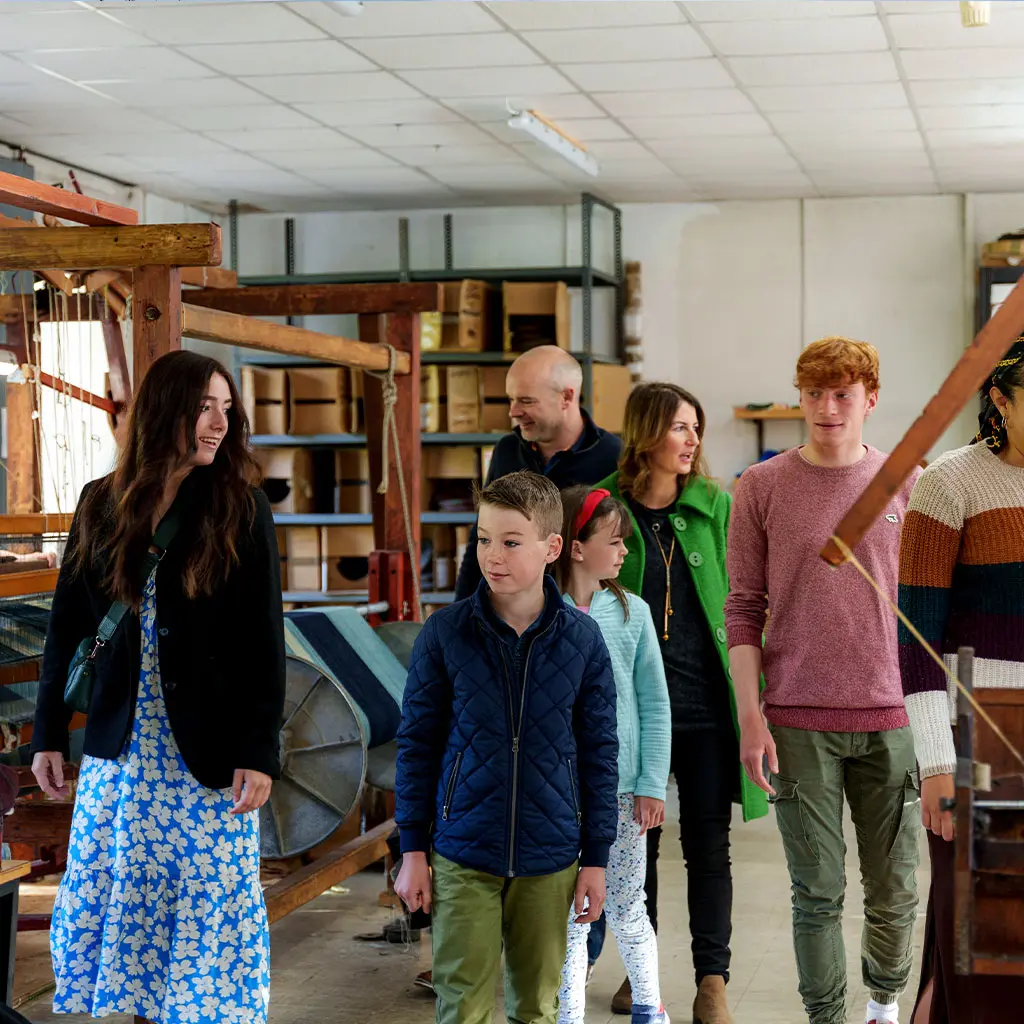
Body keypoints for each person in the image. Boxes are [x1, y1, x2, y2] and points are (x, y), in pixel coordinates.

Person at [31, 350, 285, 1024]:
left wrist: (260, 750)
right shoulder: (101, 502)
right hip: (122, 752)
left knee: (207, 909)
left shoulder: (242, 509)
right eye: (205, 407)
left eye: (228, 410)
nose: (219, 424)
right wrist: (48, 735)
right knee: (133, 902)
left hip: (207, 757)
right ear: (164, 409)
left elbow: (264, 643)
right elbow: (67, 631)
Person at [726, 337, 922, 1024]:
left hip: (893, 719)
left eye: (843, 394)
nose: (827, 407)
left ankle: (883, 1006)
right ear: (799, 398)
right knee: (816, 893)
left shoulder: (907, 481)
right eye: (814, 393)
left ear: (870, 398)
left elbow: (929, 605)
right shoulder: (762, 486)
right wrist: (751, 717)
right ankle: (826, 1018)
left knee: (895, 890)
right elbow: (744, 607)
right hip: (798, 722)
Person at [394, 470, 619, 1024]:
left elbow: (599, 754)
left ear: (552, 547)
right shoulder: (444, 634)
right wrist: (413, 851)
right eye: (484, 538)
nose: (493, 555)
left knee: (537, 1007)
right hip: (462, 852)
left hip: (551, 857)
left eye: (511, 542)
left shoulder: (583, 642)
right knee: (461, 1005)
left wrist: (595, 858)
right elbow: (417, 746)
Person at [594, 382, 768, 1024]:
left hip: (702, 709)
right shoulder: (605, 509)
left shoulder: (717, 506)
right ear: (646, 434)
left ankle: (711, 982)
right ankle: (644, 970)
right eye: (679, 428)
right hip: (630, 714)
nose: (693, 439)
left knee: (707, 845)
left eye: (696, 428)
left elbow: (747, 600)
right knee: (635, 844)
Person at [899, 337, 1024, 1023]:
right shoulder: (948, 483)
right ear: (1000, 401)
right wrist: (937, 763)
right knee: (978, 938)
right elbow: (916, 641)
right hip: (973, 740)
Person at [555, 485, 672, 1024]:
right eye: (614, 541)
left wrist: (651, 782)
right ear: (576, 547)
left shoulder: (635, 614)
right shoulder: (540, 613)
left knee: (627, 906)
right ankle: (567, 1014)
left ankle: (650, 1006)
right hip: (555, 793)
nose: (625, 551)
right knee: (568, 916)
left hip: (622, 793)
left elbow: (654, 702)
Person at [453, 346, 621, 600]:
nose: (513, 412)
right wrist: (462, 611)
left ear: (566, 397)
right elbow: (482, 532)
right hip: (510, 614)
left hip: (583, 618)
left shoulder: (614, 456)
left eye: (526, 401)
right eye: (511, 399)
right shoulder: (507, 451)